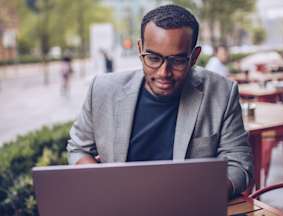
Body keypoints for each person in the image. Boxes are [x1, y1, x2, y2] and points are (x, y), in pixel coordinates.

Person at [67, 4, 253, 198]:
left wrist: (201, 193)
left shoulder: (222, 92)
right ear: (140, 49)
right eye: (153, 58)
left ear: (194, 57)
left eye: (178, 60)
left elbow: (239, 164)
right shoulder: (103, 90)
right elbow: (78, 149)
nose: (164, 72)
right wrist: (104, 181)